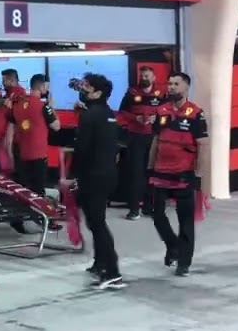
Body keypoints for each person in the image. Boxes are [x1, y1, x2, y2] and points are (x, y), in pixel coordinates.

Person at [149, 72, 207, 277]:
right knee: (156, 216)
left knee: (185, 222)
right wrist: (150, 167)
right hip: (160, 173)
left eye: (176, 84)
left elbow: (203, 146)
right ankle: (173, 246)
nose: (171, 87)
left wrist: (198, 175)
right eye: (170, 83)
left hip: (183, 175)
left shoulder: (196, 114)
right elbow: (155, 141)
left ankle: (184, 262)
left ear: (186, 87)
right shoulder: (161, 110)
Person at [71, 73, 124, 290]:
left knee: (97, 223)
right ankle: (100, 263)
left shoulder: (90, 115)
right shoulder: (107, 113)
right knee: (95, 222)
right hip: (108, 173)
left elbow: (82, 149)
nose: (83, 89)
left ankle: (112, 272)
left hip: (93, 176)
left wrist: (74, 176)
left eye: (87, 87)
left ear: (98, 92)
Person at [117, 66, 165, 220]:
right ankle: (134, 209)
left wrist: (156, 119)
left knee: (151, 174)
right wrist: (135, 118)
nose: (144, 78)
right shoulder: (131, 93)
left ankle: (148, 207)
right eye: (142, 75)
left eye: (147, 76)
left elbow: (167, 114)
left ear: (154, 78)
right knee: (135, 173)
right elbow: (122, 112)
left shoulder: (161, 94)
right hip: (135, 137)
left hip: (153, 138)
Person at [11, 74, 60, 198]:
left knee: (25, 190)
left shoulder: (17, 105)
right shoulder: (43, 107)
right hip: (39, 155)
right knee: (37, 191)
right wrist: (52, 107)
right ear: (42, 86)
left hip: (23, 153)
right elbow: (56, 126)